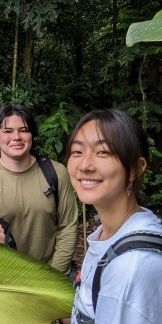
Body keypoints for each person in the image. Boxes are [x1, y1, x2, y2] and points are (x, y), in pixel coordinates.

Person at [67, 109, 162, 323]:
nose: (84, 165)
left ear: (136, 168)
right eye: (77, 152)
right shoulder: (111, 233)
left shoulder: (132, 266)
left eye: (103, 152)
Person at [0, 105, 78, 273]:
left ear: (32, 135)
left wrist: (52, 276)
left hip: (50, 274)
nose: (16, 137)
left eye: (23, 130)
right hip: (4, 276)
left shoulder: (56, 173)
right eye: (7, 131)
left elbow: (68, 226)